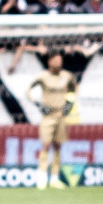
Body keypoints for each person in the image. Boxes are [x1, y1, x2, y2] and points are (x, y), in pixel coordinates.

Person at [27, 53, 77, 190]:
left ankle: (54, 179)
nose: (58, 63)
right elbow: (28, 91)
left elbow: (73, 89)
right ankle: (42, 177)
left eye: (60, 61)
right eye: (56, 61)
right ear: (50, 62)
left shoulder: (67, 76)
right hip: (48, 117)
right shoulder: (43, 77)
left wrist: (70, 102)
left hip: (61, 116)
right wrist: (38, 103)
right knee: (46, 145)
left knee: (58, 146)